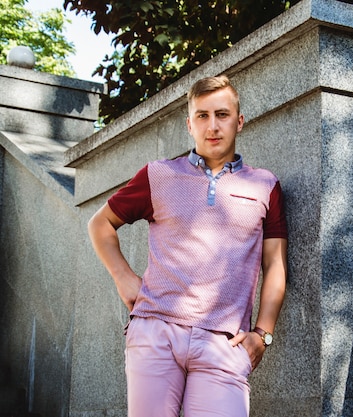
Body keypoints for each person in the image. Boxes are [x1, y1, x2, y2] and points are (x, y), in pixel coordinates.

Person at [87, 75, 288, 417]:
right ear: (189, 125)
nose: (213, 126)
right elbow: (100, 223)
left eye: (222, 115)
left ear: (239, 121)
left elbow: (276, 264)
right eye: (202, 116)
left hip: (224, 343)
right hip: (155, 332)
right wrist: (123, 277)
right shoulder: (158, 175)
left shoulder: (264, 186)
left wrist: (262, 334)